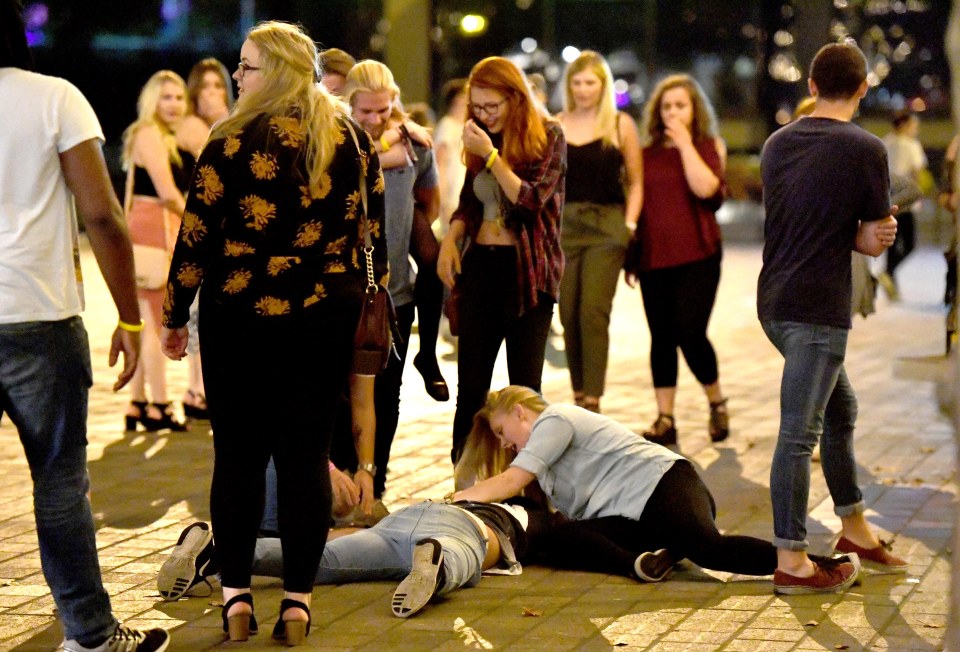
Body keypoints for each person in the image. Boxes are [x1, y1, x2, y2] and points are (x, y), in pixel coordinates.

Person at [159, 20, 386, 645]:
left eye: (247, 65)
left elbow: (196, 235)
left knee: (236, 457)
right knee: (305, 458)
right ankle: (298, 604)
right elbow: (374, 236)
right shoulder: (350, 137)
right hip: (324, 318)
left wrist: (175, 316)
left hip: (240, 317)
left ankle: (235, 599)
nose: (237, 75)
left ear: (277, 70)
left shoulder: (231, 138)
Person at [0, 1, 170, 649]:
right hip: (39, 315)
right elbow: (102, 216)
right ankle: (89, 635)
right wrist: (129, 316)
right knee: (59, 480)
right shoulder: (54, 99)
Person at [449, 386, 859, 587]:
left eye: (503, 431)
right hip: (637, 515)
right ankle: (646, 561)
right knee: (561, 535)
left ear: (521, 412)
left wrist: (460, 499)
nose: (505, 444)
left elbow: (511, 479)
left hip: (666, 484)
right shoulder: (550, 472)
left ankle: (815, 565)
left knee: (708, 548)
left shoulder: (556, 419)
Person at [758, 41, 906, 594]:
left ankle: (855, 528)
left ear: (812, 86)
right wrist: (876, 236)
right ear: (864, 89)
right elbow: (870, 238)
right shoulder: (866, 148)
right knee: (799, 434)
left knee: (841, 409)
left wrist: (857, 233)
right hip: (818, 308)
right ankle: (792, 560)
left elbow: (803, 220)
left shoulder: (776, 144)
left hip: (773, 302)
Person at [437, 56, 567, 464]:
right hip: (480, 269)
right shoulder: (478, 137)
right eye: (478, 107)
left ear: (515, 99)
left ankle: (527, 485)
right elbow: (470, 201)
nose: (485, 115)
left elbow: (530, 201)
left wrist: (492, 156)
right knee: (471, 388)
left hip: (527, 275)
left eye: (493, 106)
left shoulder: (548, 135)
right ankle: (464, 481)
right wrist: (451, 238)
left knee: (525, 392)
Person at [330, 60, 442, 509]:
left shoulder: (415, 146)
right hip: (343, 290)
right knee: (341, 397)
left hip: (394, 292)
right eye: (365, 112)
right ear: (347, 106)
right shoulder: (335, 143)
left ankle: (374, 487)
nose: (376, 120)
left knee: (387, 396)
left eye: (383, 110)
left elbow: (428, 204)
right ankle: (338, 487)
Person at [629, 73, 729, 446]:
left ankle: (716, 401)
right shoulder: (644, 153)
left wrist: (684, 143)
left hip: (698, 255)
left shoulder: (707, 145)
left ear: (694, 110)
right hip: (655, 256)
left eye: (680, 105)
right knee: (661, 338)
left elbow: (707, 189)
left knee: (690, 332)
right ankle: (665, 417)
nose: (673, 112)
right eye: (666, 106)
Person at [556, 51, 642, 414]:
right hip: (565, 227)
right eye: (576, 82)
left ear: (603, 84)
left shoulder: (620, 124)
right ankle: (578, 394)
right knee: (568, 314)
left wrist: (630, 225)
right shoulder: (555, 123)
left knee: (593, 310)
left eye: (590, 82)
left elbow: (636, 181)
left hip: (607, 226)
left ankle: (593, 399)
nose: (583, 89)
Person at [121, 70, 192, 432]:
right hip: (153, 230)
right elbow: (166, 192)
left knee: (146, 320)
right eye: (166, 97)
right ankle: (160, 404)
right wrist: (197, 221)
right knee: (155, 321)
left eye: (179, 97)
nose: (174, 104)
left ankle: (138, 403)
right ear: (151, 100)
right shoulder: (149, 133)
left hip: (147, 230)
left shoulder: (158, 135)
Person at [176, 57, 235, 420]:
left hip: (226, 233)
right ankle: (198, 389)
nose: (212, 93)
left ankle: (205, 389)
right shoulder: (194, 126)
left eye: (218, 85)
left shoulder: (230, 121)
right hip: (203, 229)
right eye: (206, 86)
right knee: (199, 312)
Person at [879, 109, 928, 301]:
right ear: (903, 125)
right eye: (913, 125)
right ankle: (888, 273)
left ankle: (890, 280)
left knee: (891, 243)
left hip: (887, 199)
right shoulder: (911, 145)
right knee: (910, 244)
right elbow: (917, 173)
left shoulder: (884, 142)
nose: (915, 129)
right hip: (906, 199)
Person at [434, 78, 468, 233]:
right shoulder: (447, 125)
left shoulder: (465, 126)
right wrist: (443, 200)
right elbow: (440, 163)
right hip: (452, 193)